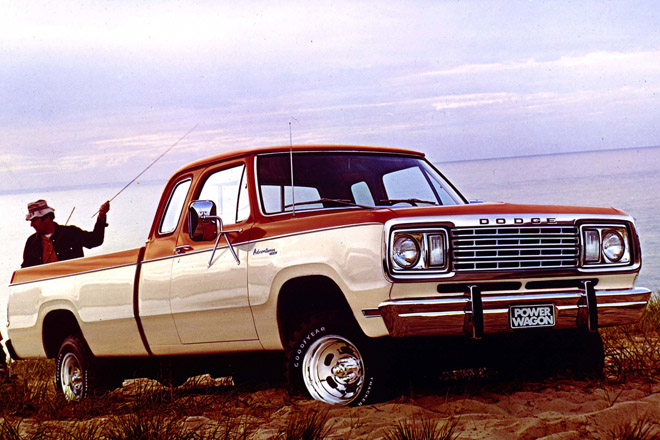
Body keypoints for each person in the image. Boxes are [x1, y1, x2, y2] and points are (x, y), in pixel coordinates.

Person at [21, 199, 110, 268]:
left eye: (34, 220)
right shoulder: (31, 242)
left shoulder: (71, 233)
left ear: (47, 217)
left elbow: (95, 240)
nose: (32, 224)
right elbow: (25, 269)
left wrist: (101, 216)